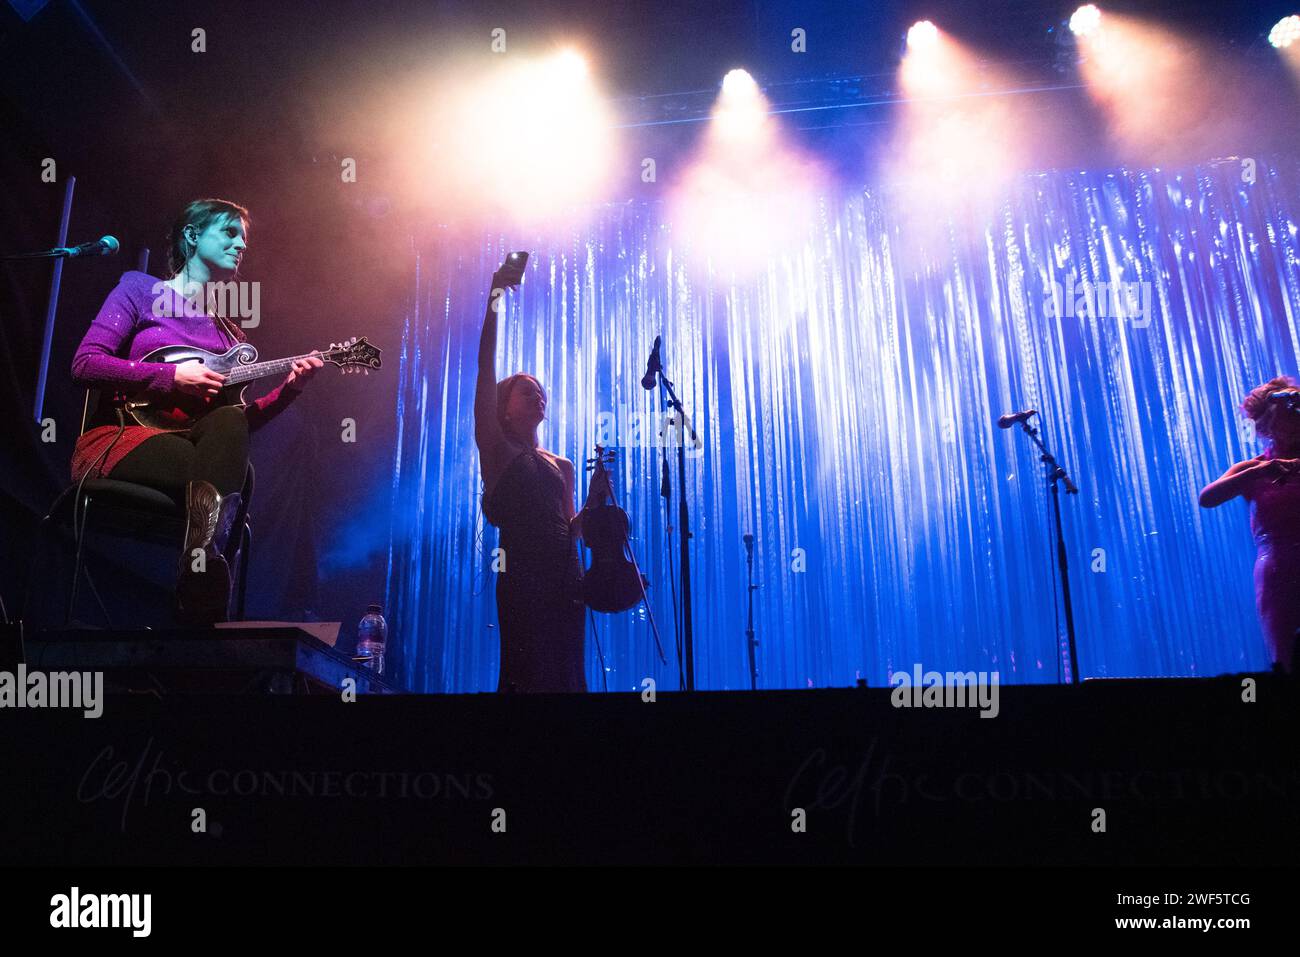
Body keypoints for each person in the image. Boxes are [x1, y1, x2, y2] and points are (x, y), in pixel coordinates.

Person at [70, 198, 323, 624]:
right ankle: (203, 572)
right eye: (229, 232)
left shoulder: (229, 335)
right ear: (191, 235)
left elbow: (235, 429)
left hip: (195, 454)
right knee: (234, 473)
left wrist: (289, 391)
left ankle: (198, 561)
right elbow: (85, 363)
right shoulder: (138, 289)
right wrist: (171, 379)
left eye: (244, 237)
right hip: (123, 440)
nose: (241, 244)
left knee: (228, 421)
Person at [473, 256, 606, 692]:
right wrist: (494, 296)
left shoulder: (562, 465)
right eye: (527, 390)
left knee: (568, 674)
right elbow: (485, 366)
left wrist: (595, 500)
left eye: (542, 393)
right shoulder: (496, 446)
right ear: (504, 407)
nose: (539, 396)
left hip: (567, 579)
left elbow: (575, 532)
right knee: (527, 671)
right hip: (523, 574)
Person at [1199, 375, 1300, 672]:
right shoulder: (1253, 468)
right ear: (1268, 426)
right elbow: (1208, 497)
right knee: (1285, 658)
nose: (1295, 422)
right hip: (1277, 567)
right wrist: (1262, 471)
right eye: (1287, 417)